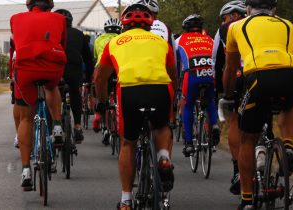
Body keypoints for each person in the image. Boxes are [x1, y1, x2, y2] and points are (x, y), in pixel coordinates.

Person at [95, 3, 177, 209]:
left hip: (130, 92)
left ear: (124, 25)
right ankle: (164, 157)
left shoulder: (114, 43)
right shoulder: (161, 42)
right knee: (163, 126)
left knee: (128, 143)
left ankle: (125, 200)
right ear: (150, 25)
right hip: (160, 88)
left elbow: (100, 78)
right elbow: (173, 72)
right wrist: (174, 96)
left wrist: (103, 102)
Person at [223, 0, 293, 209]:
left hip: (258, 77)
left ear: (247, 10)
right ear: (274, 10)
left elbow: (230, 68)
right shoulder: (289, 25)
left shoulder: (236, 27)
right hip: (291, 73)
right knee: (289, 104)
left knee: (248, 139)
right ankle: (289, 147)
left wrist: (228, 94)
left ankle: (247, 199)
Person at [10, 0, 67, 191]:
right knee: (52, 88)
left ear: (29, 5)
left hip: (25, 69)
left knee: (26, 118)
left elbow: (16, 44)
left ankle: (26, 170)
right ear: (49, 6)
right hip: (52, 66)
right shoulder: (59, 18)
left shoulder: (15, 19)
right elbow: (63, 44)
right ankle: (57, 126)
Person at [212, 0, 247, 195]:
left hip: (241, 75)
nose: (224, 21)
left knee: (234, 119)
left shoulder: (226, 29)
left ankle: (237, 171)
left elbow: (216, 60)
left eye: (225, 17)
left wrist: (220, 89)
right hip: (279, 74)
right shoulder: (269, 21)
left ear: (234, 15)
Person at [175, 14, 220, 157]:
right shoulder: (210, 39)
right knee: (211, 100)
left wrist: (176, 81)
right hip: (209, 74)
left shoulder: (180, 40)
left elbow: (175, 63)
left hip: (192, 75)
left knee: (187, 105)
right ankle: (214, 125)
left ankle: (189, 143)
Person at [54, 8, 94, 143]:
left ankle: (56, 126)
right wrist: (88, 78)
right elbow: (88, 60)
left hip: (56, 70)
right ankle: (77, 126)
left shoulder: (52, 33)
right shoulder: (79, 34)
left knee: (53, 94)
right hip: (74, 70)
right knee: (75, 93)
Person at [92, 18, 122, 144]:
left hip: (103, 68)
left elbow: (95, 58)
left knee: (102, 96)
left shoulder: (98, 40)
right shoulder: (122, 39)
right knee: (119, 96)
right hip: (118, 68)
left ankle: (101, 118)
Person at [8, 37, 19, 148]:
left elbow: (11, 58)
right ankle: (55, 127)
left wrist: (11, 77)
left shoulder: (14, 36)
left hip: (20, 68)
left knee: (19, 103)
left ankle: (19, 136)